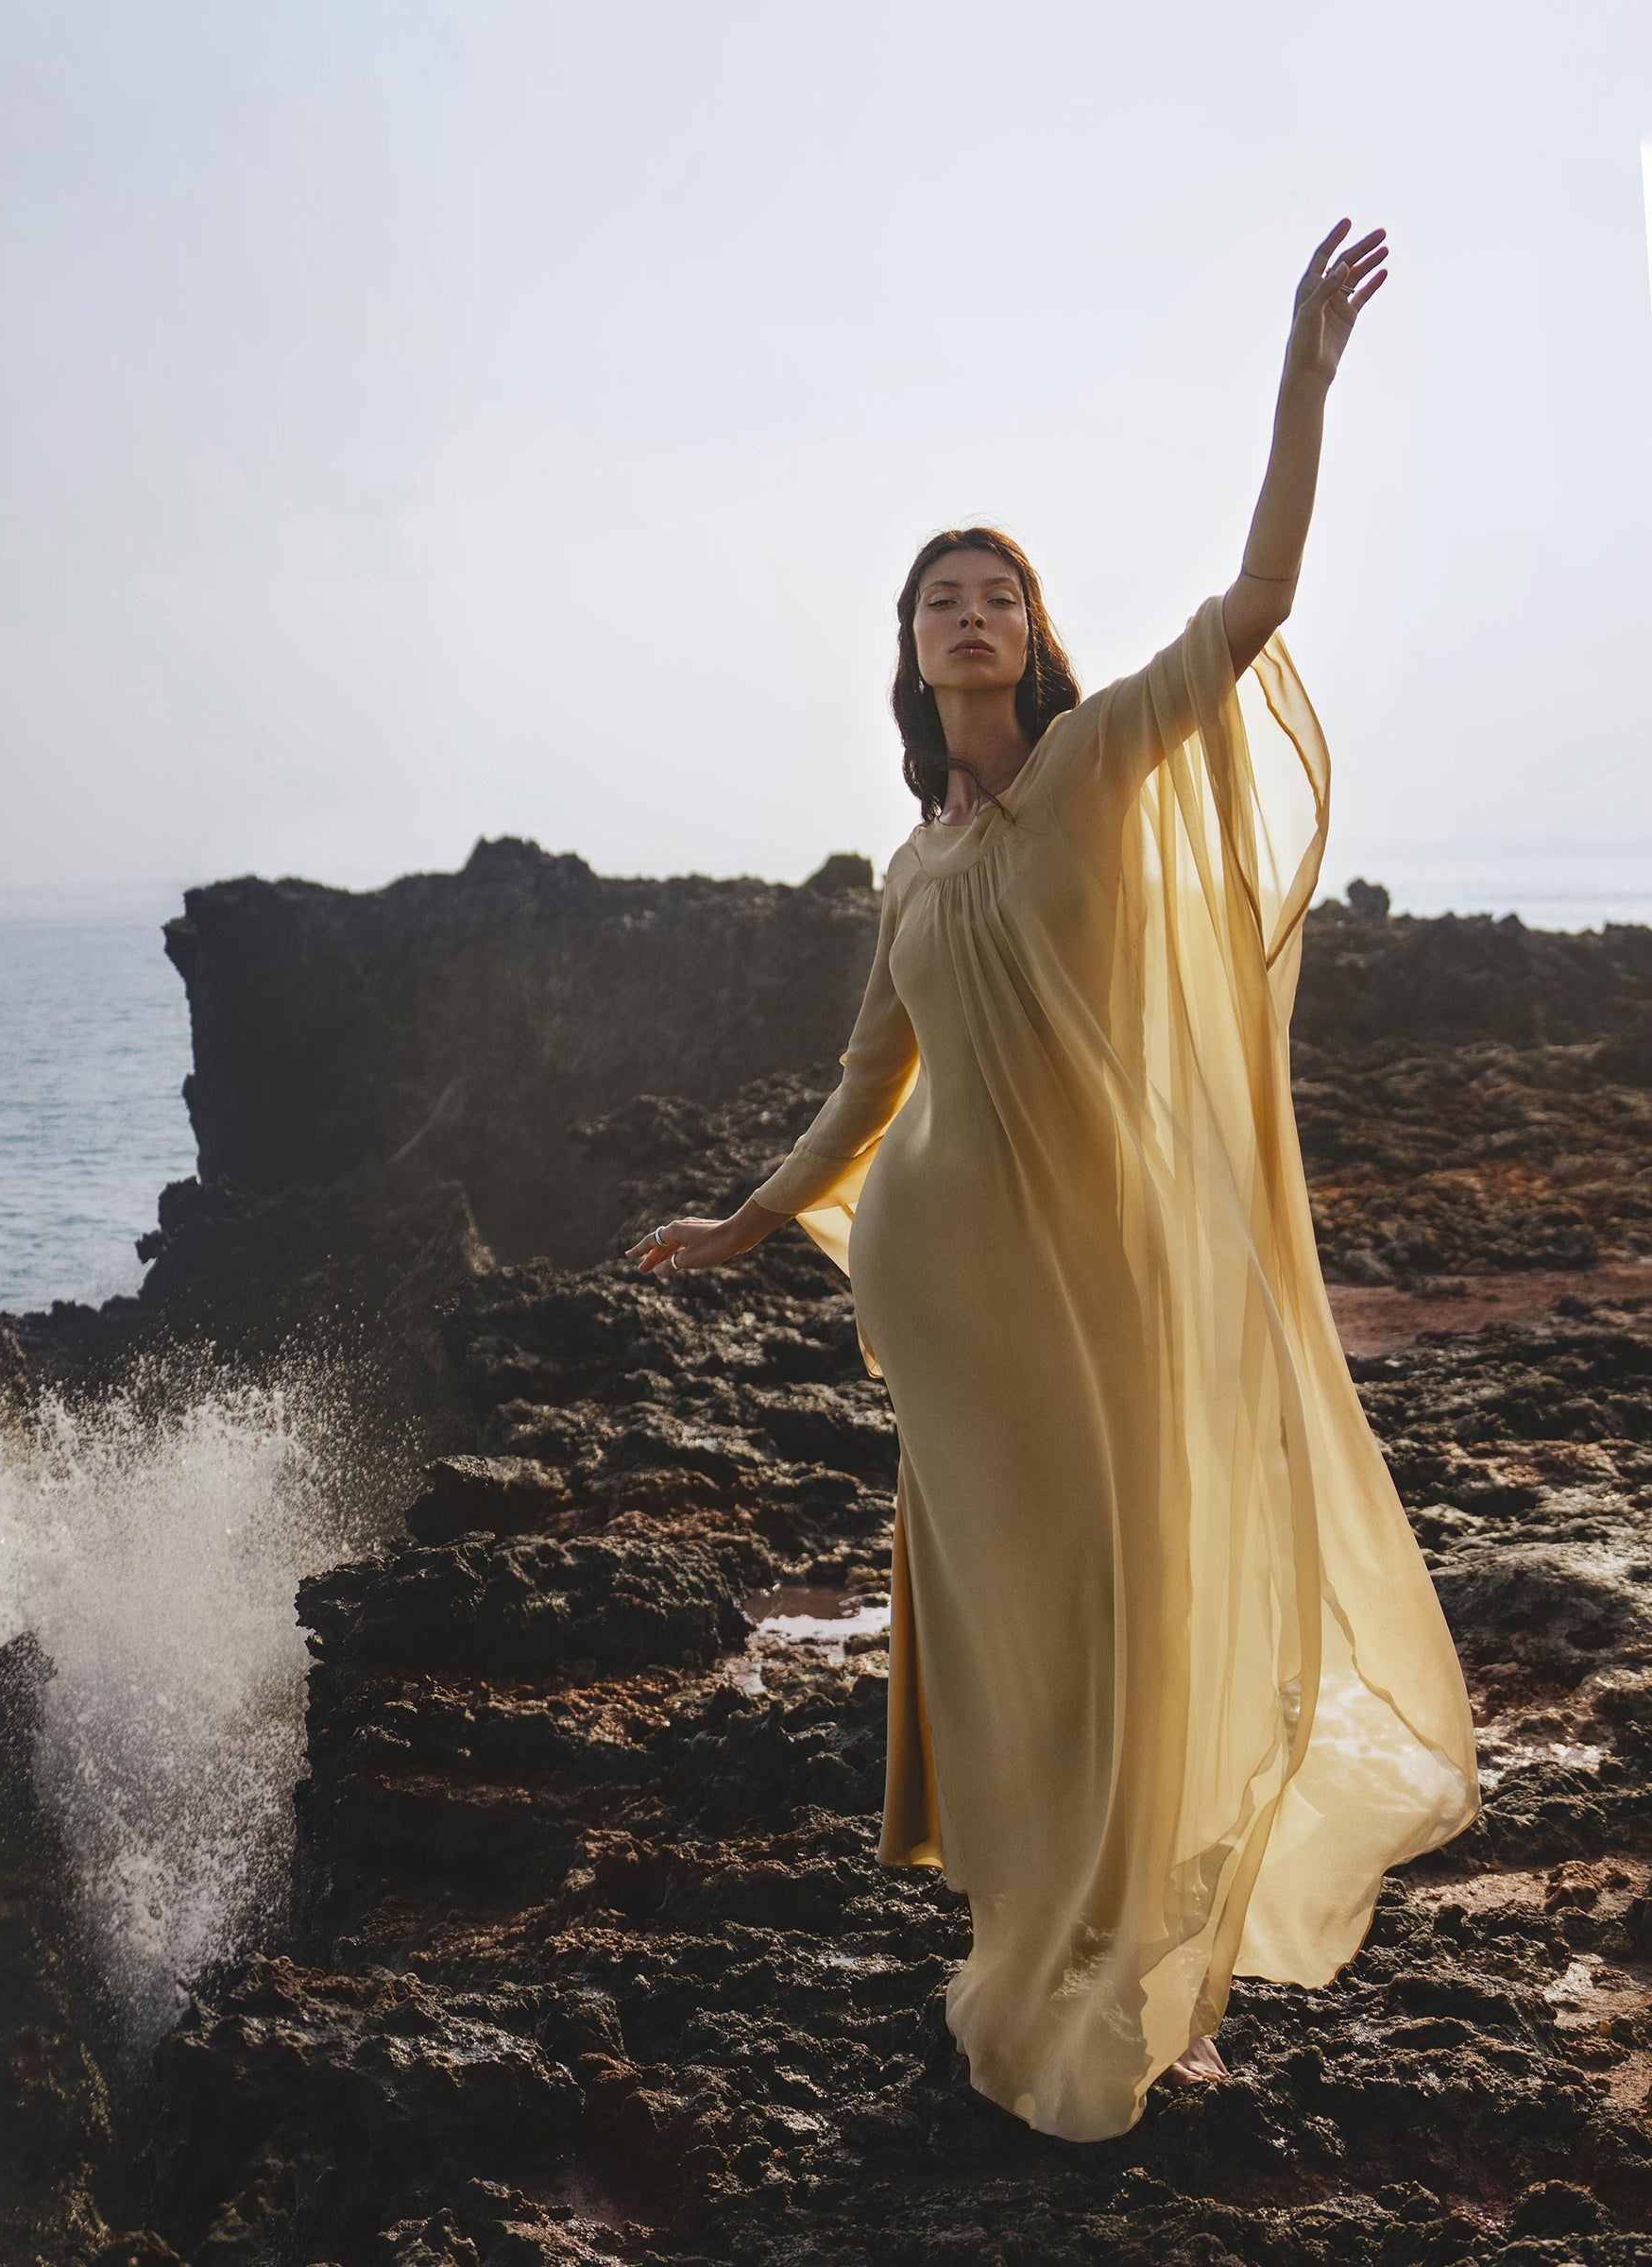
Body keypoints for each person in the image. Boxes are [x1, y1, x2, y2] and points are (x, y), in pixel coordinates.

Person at [623, 220, 1480, 2143]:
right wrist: (752, 1218)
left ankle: (1145, 1958)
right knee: (1018, 1629)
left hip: (1102, 1269)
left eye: (996, 590)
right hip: (946, 1291)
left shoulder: (1099, 763)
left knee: (1128, 1603)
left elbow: (1255, 602)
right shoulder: (911, 869)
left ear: (1033, 632)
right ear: (907, 651)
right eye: (940, 596)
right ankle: (1043, 1930)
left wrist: (1302, 384)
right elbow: (870, 1082)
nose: (970, 612)